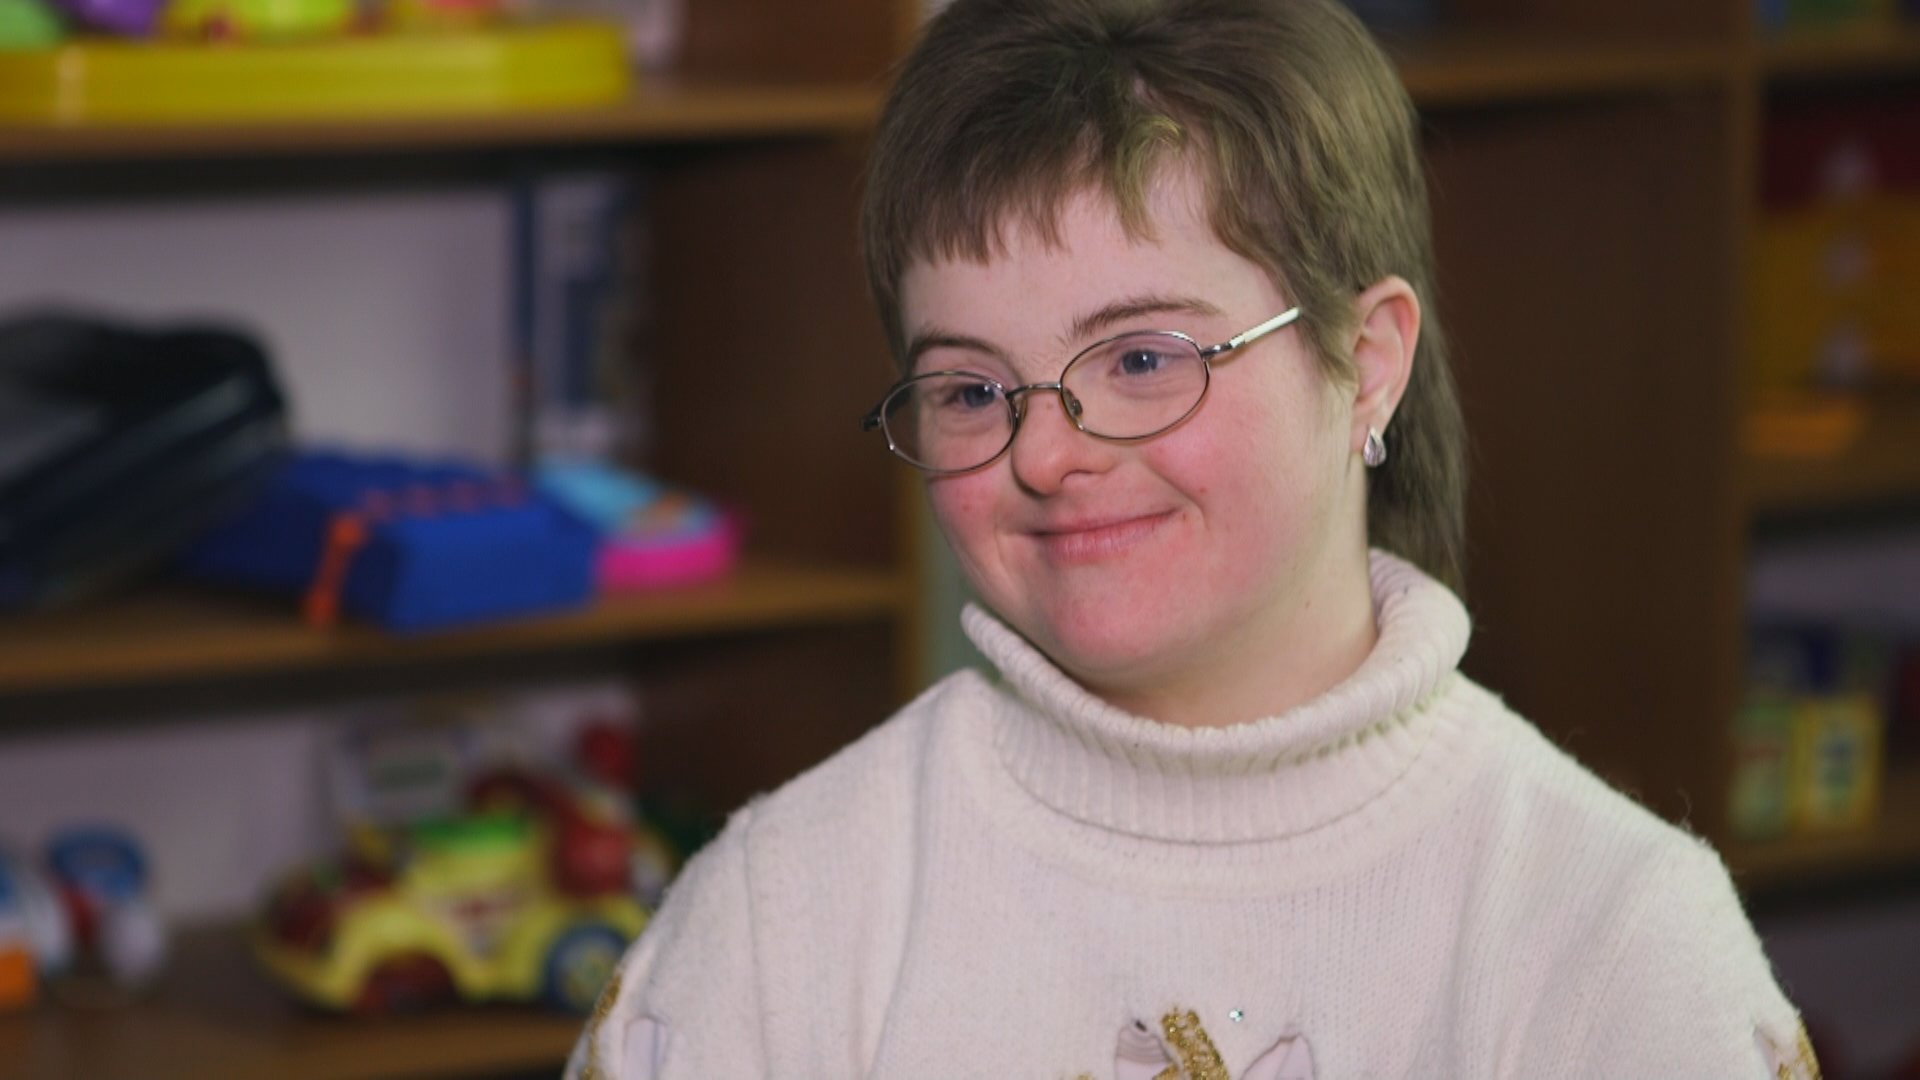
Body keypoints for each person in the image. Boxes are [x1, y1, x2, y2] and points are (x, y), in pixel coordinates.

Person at [567, 1, 1815, 1076]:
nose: (1044, 454)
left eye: (1142, 359)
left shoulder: (1616, 942)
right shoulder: (781, 911)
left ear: (1368, 363)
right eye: (971, 388)